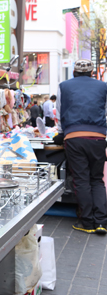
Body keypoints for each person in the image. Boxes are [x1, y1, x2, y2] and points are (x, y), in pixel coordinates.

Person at [55, 59, 107, 235]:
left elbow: (60, 111)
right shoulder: (103, 86)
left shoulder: (64, 86)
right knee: (97, 179)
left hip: (74, 137)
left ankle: (87, 222)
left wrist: (62, 133)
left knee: (82, 180)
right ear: (92, 73)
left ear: (74, 73)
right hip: (99, 137)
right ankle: (101, 222)